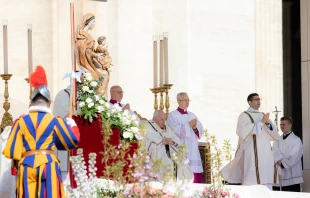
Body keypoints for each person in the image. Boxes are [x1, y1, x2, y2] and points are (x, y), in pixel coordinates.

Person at [2, 66, 80, 198]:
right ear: (48, 102)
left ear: (32, 101)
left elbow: (12, 149)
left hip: (27, 164)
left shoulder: (20, 121)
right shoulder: (55, 121)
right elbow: (70, 141)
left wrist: (16, 167)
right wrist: (73, 126)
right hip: (48, 163)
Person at [220, 93, 280, 190]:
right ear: (249, 102)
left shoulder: (263, 115)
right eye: (256, 99)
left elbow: (274, 133)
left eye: (259, 99)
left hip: (265, 152)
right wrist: (260, 123)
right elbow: (242, 131)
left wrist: (268, 123)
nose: (258, 101)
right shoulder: (244, 115)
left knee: (266, 178)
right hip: (252, 151)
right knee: (253, 179)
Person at [52, 70, 84, 185]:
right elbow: (59, 114)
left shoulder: (83, 97)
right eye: (82, 80)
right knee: (65, 169)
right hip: (65, 134)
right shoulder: (63, 94)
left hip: (79, 134)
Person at [144, 110, 194, 181]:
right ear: (155, 119)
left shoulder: (166, 127)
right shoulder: (147, 126)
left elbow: (176, 141)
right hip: (157, 153)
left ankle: (180, 188)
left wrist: (172, 142)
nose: (164, 121)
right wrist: (161, 142)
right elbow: (146, 142)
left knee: (183, 164)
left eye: (165, 119)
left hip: (171, 153)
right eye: (162, 119)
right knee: (168, 164)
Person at [167, 92, 204, 183]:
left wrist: (195, 128)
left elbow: (200, 130)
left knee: (195, 170)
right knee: (183, 171)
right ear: (178, 101)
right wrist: (188, 125)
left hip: (192, 146)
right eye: (184, 100)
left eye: (188, 100)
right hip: (180, 146)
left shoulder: (192, 115)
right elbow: (173, 131)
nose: (187, 102)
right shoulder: (172, 115)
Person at [273, 117, 303, 192]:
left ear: (290, 125)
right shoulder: (277, 140)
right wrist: (277, 160)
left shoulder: (296, 140)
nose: (282, 126)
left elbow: (295, 155)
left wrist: (282, 162)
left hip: (292, 176)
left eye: (284, 124)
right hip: (279, 176)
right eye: (281, 124)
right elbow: (274, 152)